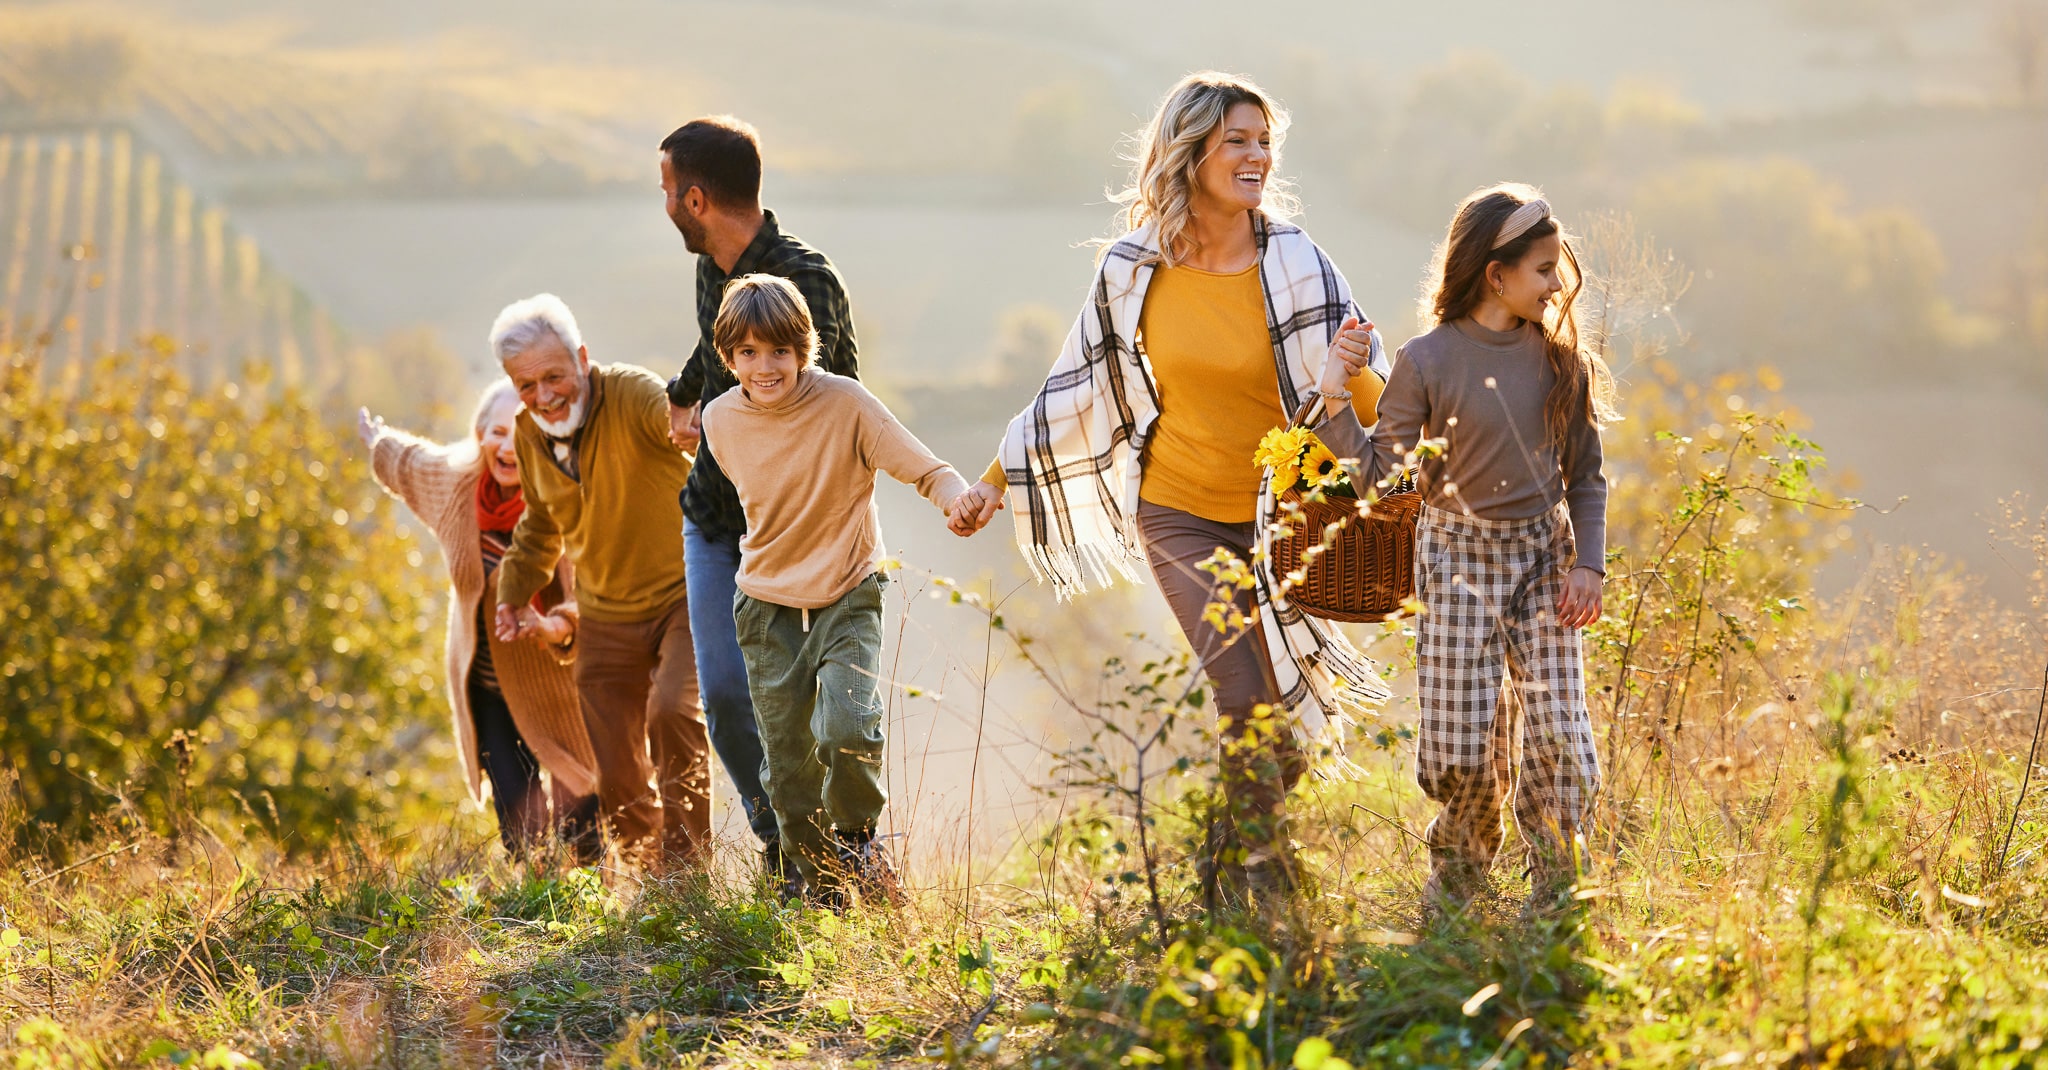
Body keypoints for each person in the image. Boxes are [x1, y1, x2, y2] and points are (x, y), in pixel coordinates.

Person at [947, 72, 1391, 904]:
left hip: (1284, 518)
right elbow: (1073, 386)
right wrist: (994, 482)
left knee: (1286, 725)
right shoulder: (1133, 268)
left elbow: (1370, 396)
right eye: (1237, 141)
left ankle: (1222, 872)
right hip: (1178, 510)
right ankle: (1262, 888)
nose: (1257, 157)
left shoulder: (1297, 263)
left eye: (1264, 142)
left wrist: (1396, 415)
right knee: (1246, 696)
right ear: (1190, 153)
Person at [1363, 183, 1614, 918]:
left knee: (1562, 736)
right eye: (1544, 269)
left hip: (1543, 561)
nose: (1557, 285)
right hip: (1454, 562)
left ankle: (1559, 883)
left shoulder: (1562, 365)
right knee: (1457, 747)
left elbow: (1586, 476)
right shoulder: (1426, 361)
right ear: (1495, 274)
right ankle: (1462, 869)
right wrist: (1335, 399)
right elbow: (1377, 476)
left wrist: (1588, 564)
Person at [701, 274, 968, 907]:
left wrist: (956, 499)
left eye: (780, 351)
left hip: (848, 594)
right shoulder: (719, 420)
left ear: (804, 348)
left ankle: (857, 844)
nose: (766, 367)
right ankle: (821, 891)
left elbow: (925, 469)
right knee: (787, 769)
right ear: (729, 356)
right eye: (748, 353)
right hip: (765, 608)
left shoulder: (847, 403)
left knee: (848, 726)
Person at [658, 116, 862, 889]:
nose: (665, 206)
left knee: (816, 712)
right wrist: (684, 394)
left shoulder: (806, 280)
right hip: (713, 521)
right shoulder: (712, 269)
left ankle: (845, 858)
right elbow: (715, 344)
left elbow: (834, 400)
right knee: (724, 696)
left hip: (796, 533)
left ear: (697, 199)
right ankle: (787, 849)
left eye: (668, 191)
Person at [488, 293, 709, 870]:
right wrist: (513, 593)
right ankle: (647, 871)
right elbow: (541, 524)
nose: (544, 396)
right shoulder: (528, 432)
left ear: (582, 359)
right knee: (613, 761)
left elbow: (675, 422)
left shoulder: (630, 393)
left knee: (671, 712)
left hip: (682, 594)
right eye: (526, 385)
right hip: (605, 613)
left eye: (554, 376)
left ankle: (688, 876)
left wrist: (694, 424)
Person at [358, 382, 600, 860]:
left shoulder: (563, 499)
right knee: (520, 825)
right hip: (487, 688)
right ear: (479, 434)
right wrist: (378, 442)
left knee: (583, 826)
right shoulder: (459, 486)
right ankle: (534, 898)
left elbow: (589, 596)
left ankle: (601, 900)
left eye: (520, 435)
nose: (507, 447)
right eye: (497, 433)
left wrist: (555, 625)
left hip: (557, 687)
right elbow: (411, 465)